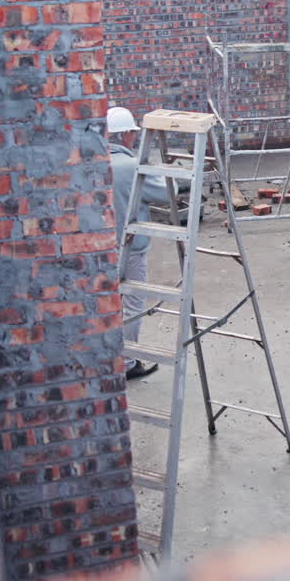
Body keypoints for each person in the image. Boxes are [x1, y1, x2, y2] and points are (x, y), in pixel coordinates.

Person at [108, 107, 186, 380]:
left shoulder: (93, 163)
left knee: (107, 304)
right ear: (127, 135)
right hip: (129, 248)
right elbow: (168, 192)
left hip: (99, 249)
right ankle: (127, 364)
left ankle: (107, 361)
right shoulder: (132, 166)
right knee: (132, 304)